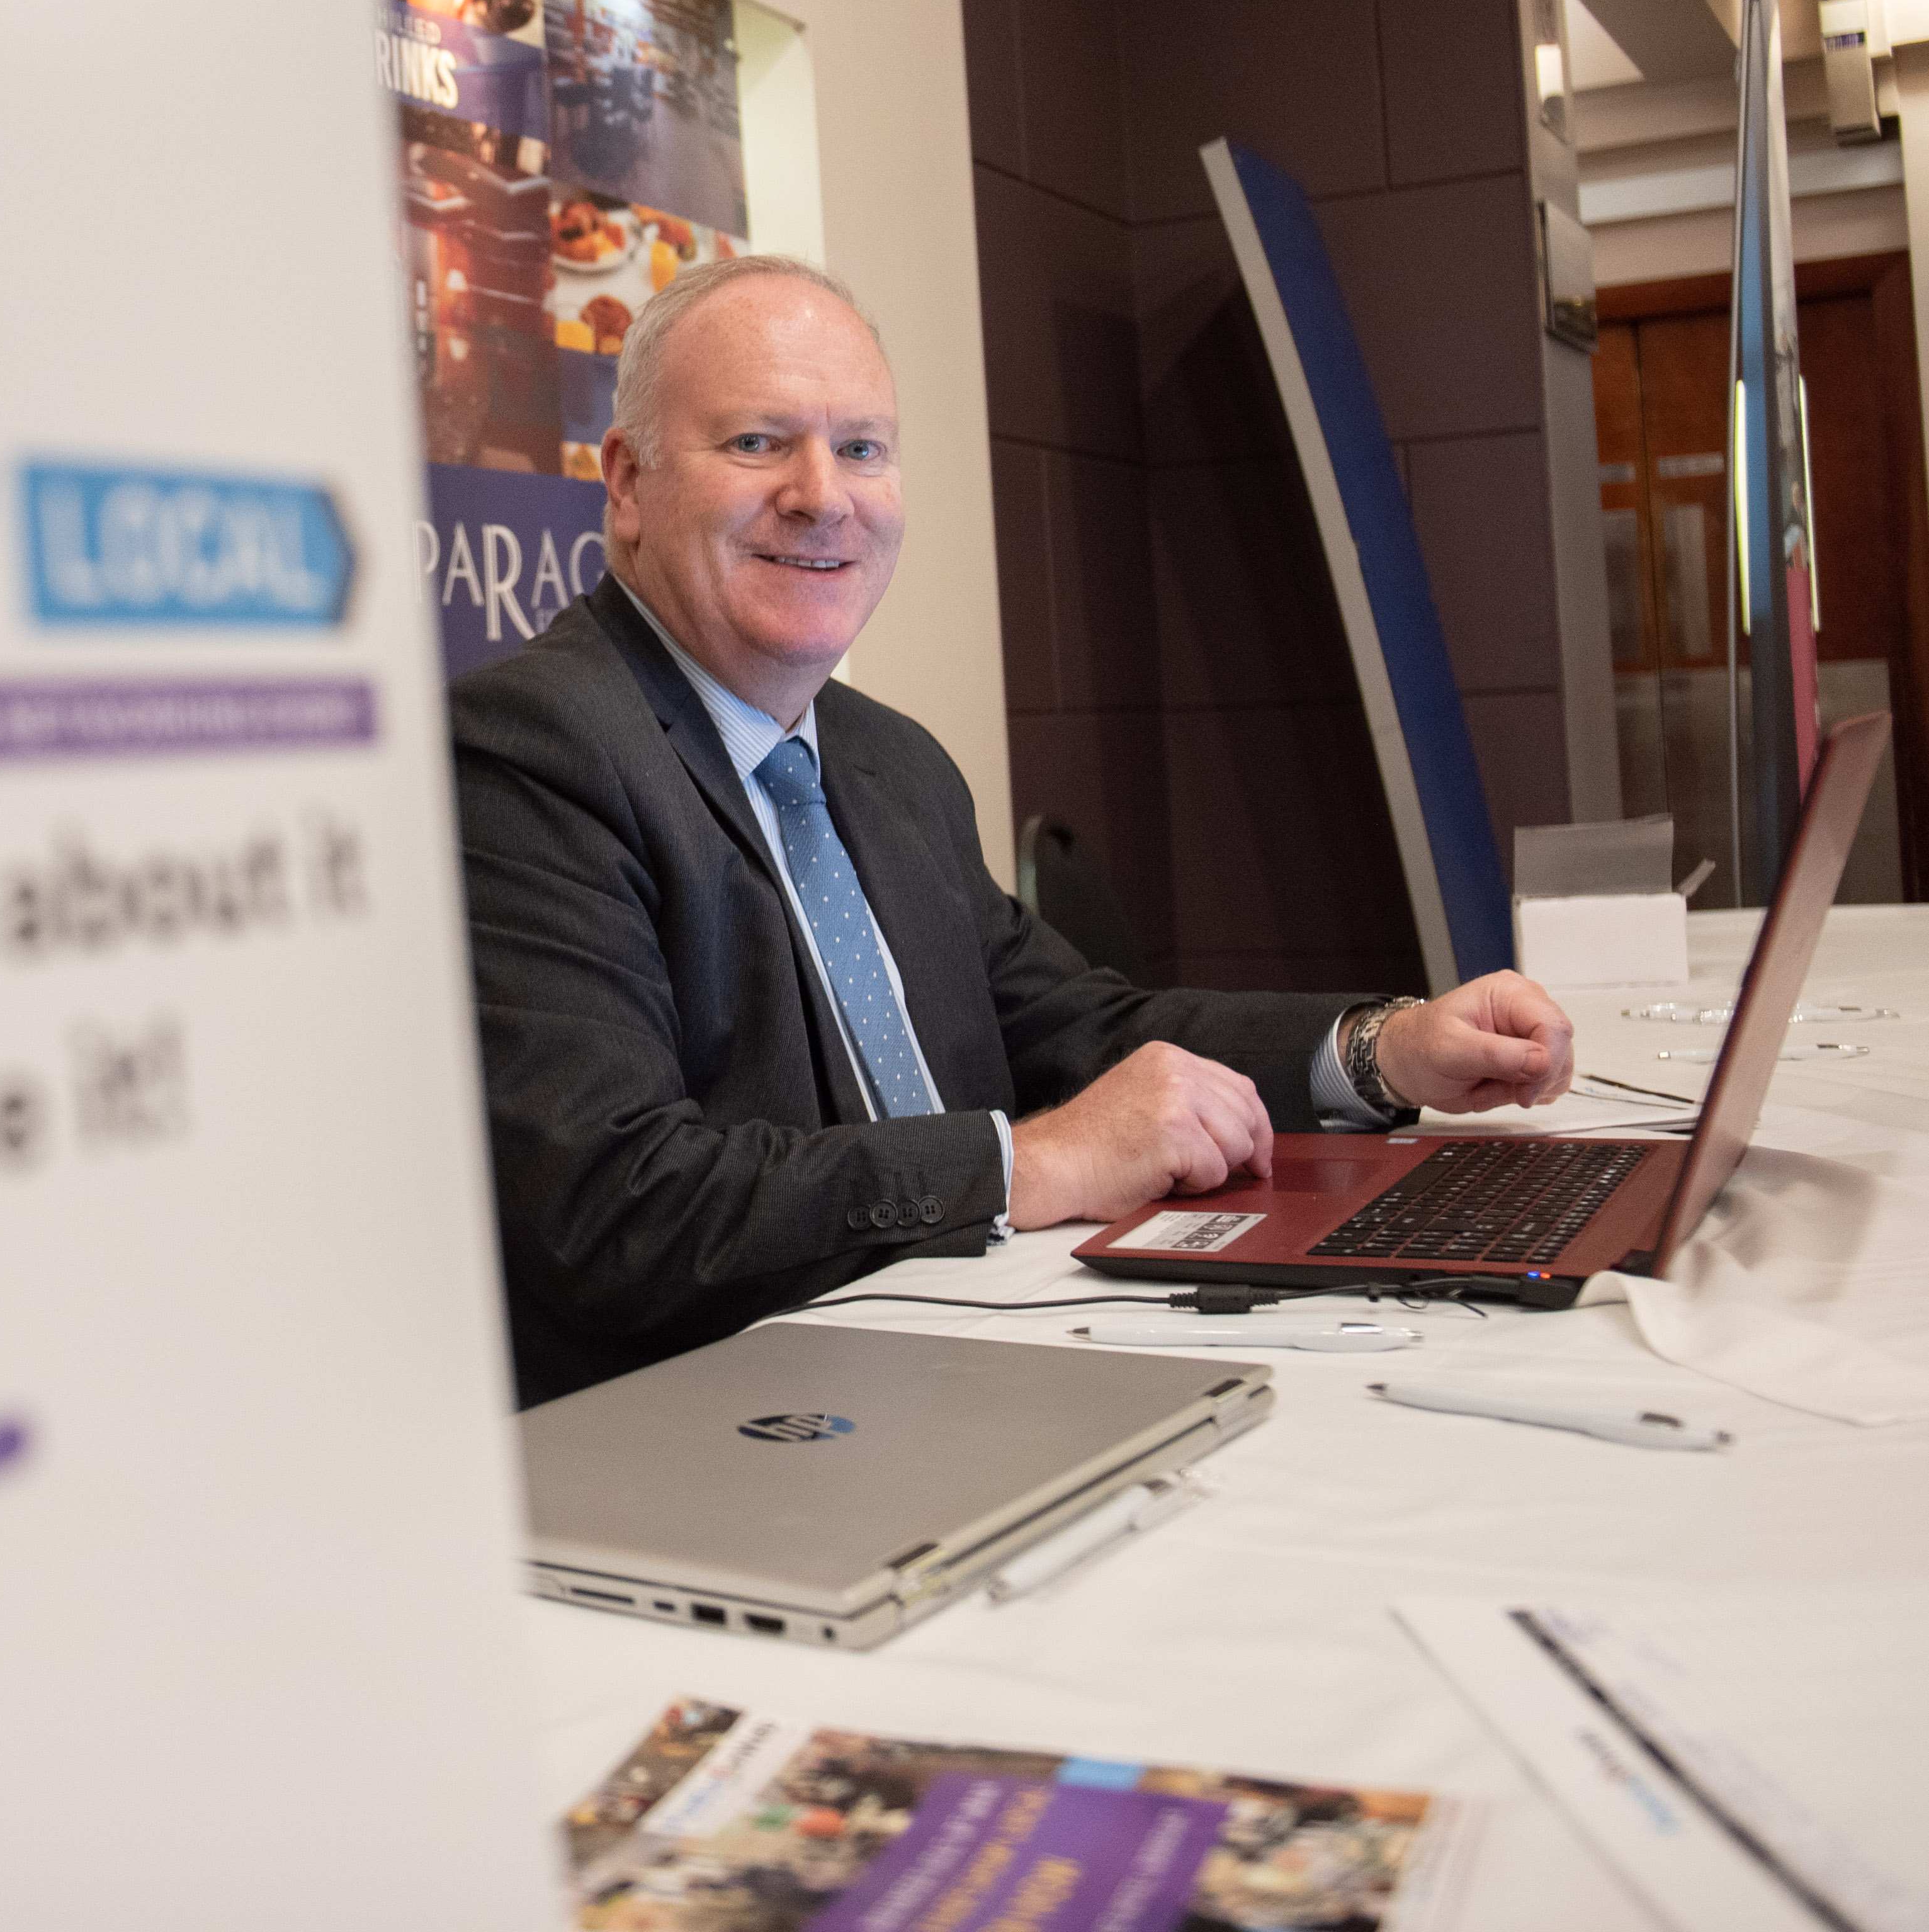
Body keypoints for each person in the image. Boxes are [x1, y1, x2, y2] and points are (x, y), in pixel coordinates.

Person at [451, 255, 1575, 1406]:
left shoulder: (890, 762)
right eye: (755, 442)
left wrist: (1383, 1049)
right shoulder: (530, 753)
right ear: (628, 482)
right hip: (727, 1426)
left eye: (861, 449)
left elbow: (1084, 1031)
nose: (821, 495)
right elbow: (616, 1208)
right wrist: (1029, 1162)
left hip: (960, 1363)